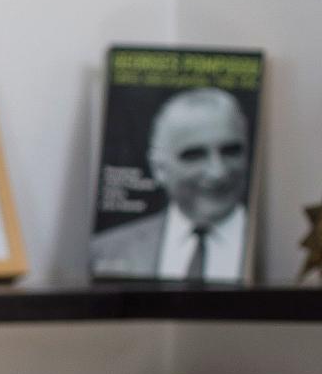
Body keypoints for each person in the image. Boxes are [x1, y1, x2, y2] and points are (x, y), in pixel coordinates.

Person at [93, 87, 253, 281]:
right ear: (159, 168)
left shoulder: (274, 247)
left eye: (231, 151)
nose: (218, 172)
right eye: (194, 155)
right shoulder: (107, 251)